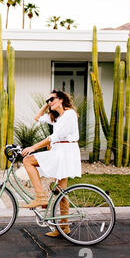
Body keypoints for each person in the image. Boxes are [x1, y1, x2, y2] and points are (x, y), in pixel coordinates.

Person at [20, 90, 82, 237]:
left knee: (28, 160)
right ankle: (64, 227)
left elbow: (55, 137)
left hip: (65, 152)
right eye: (48, 100)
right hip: (61, 151)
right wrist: (46, 104)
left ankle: (41, 196)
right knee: (61, 191)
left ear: (61, 100)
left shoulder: (69, 114)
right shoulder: (57, 117)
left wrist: (33, 147)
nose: (49, 102)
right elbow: (37, 118)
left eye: (52, 99)